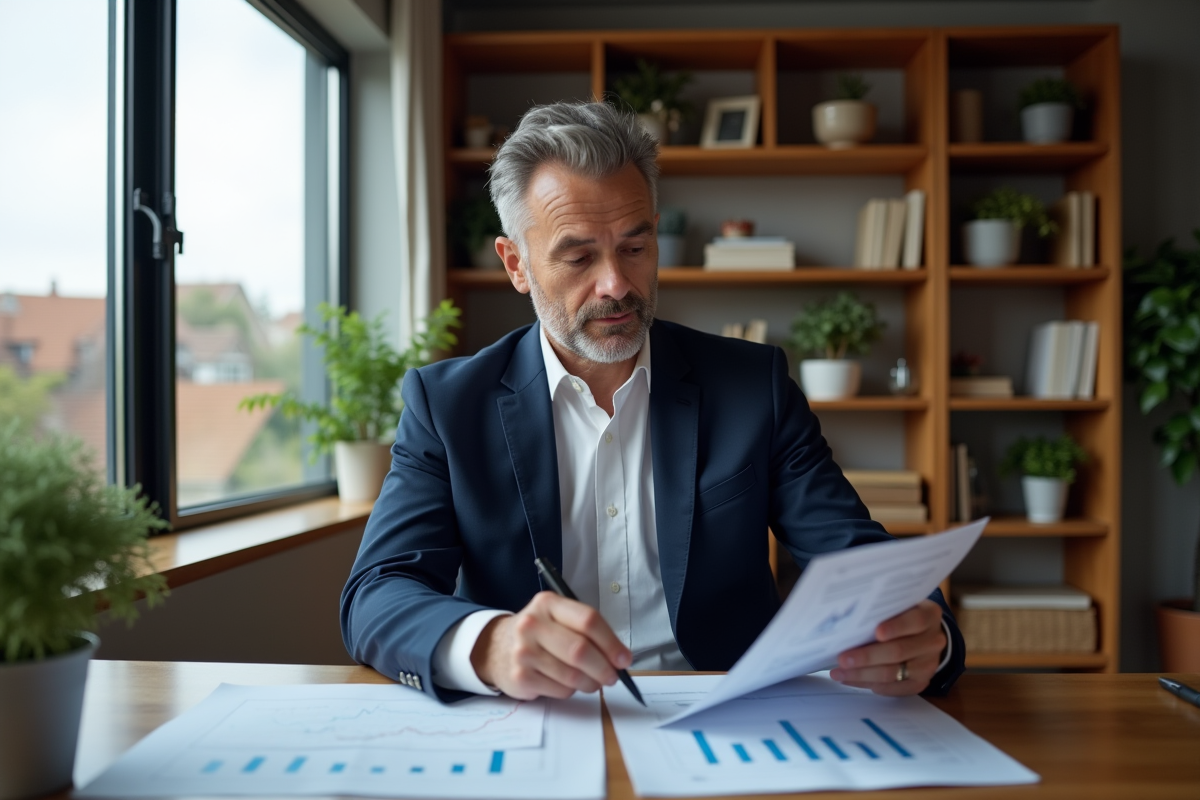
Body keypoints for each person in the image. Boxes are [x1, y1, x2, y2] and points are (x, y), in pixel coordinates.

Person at [340, 101, 964, 704]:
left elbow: (855, 554)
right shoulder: (448, 406)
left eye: (635, 248)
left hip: (731, 718)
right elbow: (377, 594)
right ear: (517, 265)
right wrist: (490, 645)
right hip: (540, 720)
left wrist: (928, 634)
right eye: (579, 256)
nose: (616, 284)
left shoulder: (753, 386)